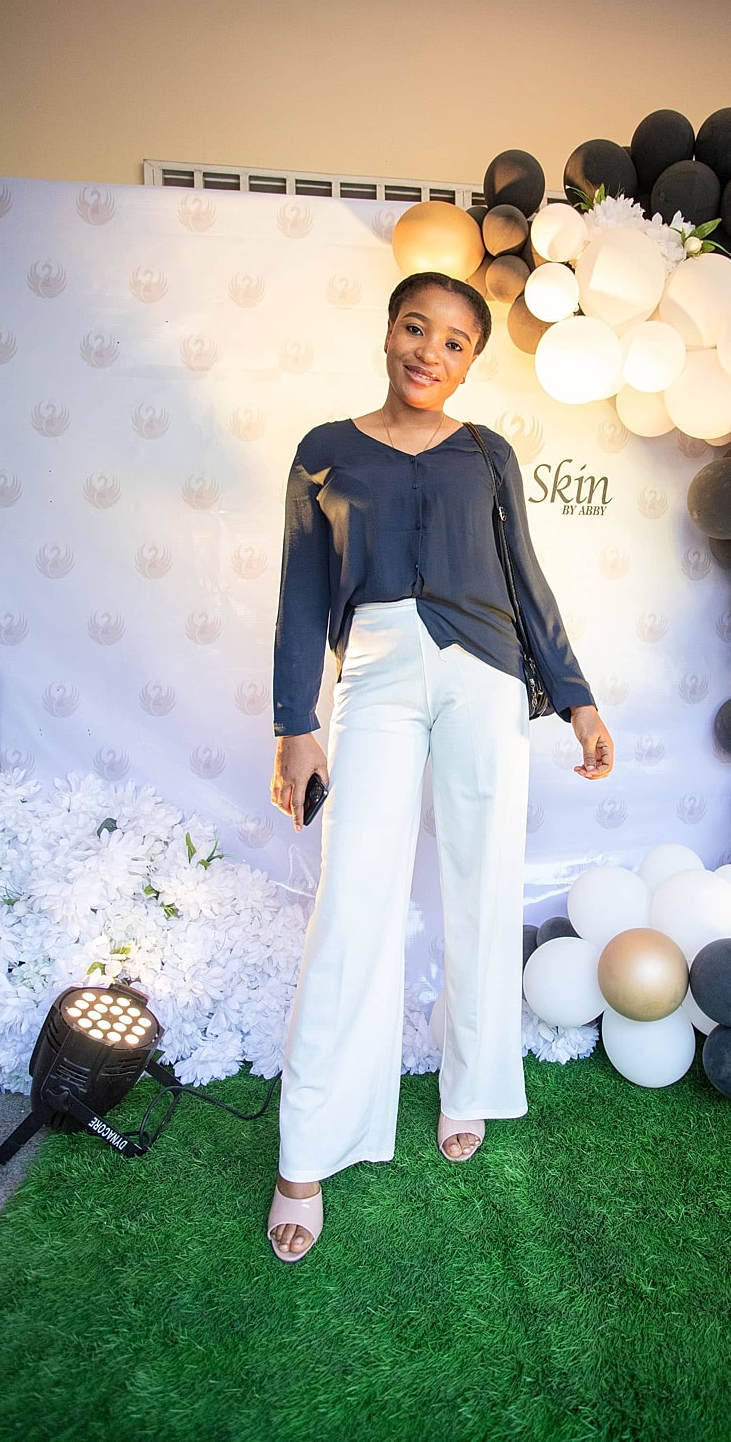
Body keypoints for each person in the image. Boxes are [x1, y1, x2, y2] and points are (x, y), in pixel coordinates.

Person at [267, 269, 613, 1261]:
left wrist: (577, 698)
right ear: (387, 332)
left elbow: (528, 582)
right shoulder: (324, 453)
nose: (431, 350)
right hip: (374, 674)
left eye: (456, 342)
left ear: (470, 363)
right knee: (351, 903)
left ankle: (470, 1088)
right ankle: (307, 1149)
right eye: (416, 329)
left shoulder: (488, 454)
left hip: (488, 677)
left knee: (481, 886)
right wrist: (296, 722)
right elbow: (301, 595)